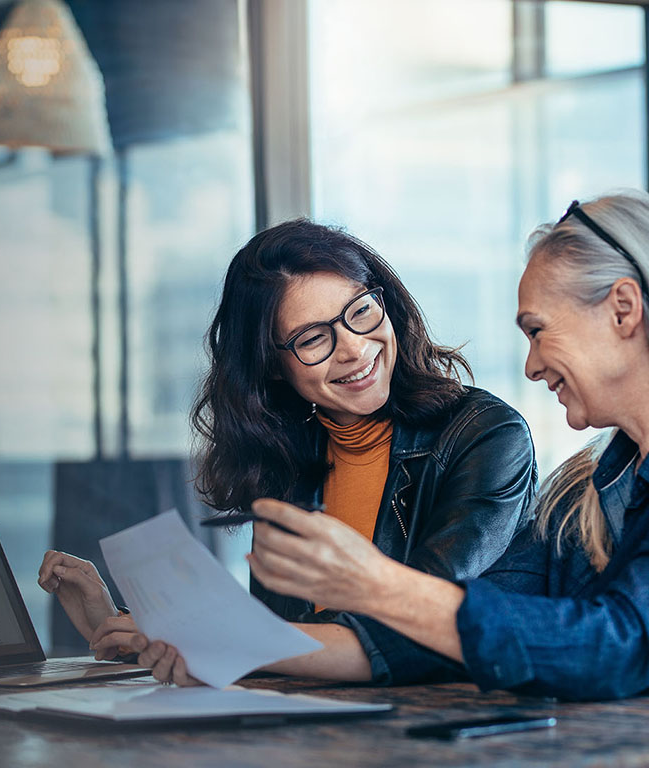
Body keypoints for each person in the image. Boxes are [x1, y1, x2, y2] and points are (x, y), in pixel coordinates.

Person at [39, 219, 536, 685]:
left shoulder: (485, 434)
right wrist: (130, 628)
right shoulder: (286, 458)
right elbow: (279, 639)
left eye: (361, 311)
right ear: (273, 368)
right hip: (321, 728)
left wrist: (219, 643)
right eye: (313, 338)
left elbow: (422, 623)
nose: (355, 348)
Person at [245, 190, 649, 701]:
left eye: (538, 330)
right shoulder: (579, 496)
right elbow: (449, 638)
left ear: (623, 310)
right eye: (311, 339)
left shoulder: (489, 437)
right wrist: (215, 642)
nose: (530, 366)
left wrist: (379, 585)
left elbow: (617, 646)